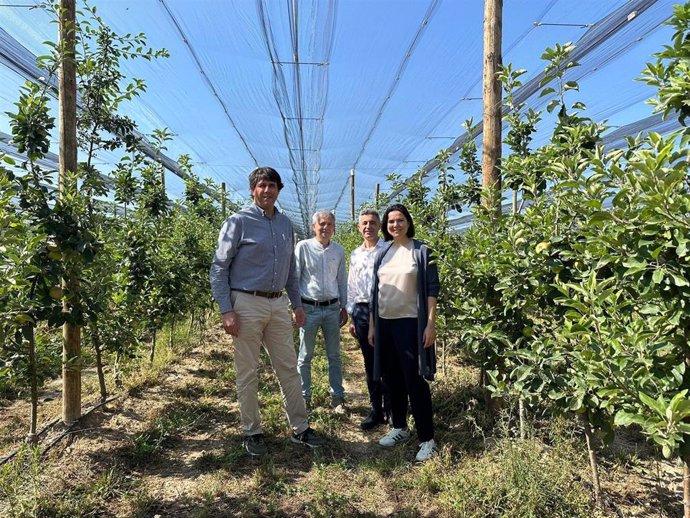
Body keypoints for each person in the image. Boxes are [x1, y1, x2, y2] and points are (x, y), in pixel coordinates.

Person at [209, 166, 322, 456]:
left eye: (272, 186)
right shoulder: (238, 222)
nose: (267, 191)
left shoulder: (286, 225)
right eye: (262, 186)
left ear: (278, 190)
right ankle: (253, 431)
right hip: (245, 302)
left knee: (288, 367)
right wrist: (226, 310)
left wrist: (296, 304)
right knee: (248, 371)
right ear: (252, 189)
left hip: (277, 303)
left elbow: (291, 272)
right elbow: (219, 267)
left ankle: (300, 428)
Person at [368, 203, 440, 462]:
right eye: (390, 221)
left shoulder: (421, 251)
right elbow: (375, 291)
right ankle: (399, 427)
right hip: (385, 323)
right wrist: (374, 326)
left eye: (399, 220)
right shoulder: (383, 252)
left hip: (410, 324)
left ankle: (427, 439)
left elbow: (432, 289)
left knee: (414, 380)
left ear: (408, 222)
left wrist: (430, 323)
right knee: (392, 378)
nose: (394, 225)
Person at [295, 210, 348, 410]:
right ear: (314, 226)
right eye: (322, 224)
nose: (325, 228)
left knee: (334, 354)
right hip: (309, 308)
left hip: (333, 308)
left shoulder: (338, 251)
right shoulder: (303, 247)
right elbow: (295, 277)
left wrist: (344, 306)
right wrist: (296, 306)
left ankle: (337, 396)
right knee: (305, 354)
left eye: (329, 224)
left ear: (334, 228)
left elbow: (341, 280)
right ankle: (304, 396)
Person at [347, 209, 390, 430]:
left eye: (372, 223)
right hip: (363, 310)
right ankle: (377, 409)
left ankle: (392, 407)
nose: (368, 227)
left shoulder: (389, 249)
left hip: (386, 309)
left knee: (389, 361)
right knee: (370, 361)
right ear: (359, 227)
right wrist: (352, 316)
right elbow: (352, 285)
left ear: (379, 225)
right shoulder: (355, 254)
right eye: (364, 223)